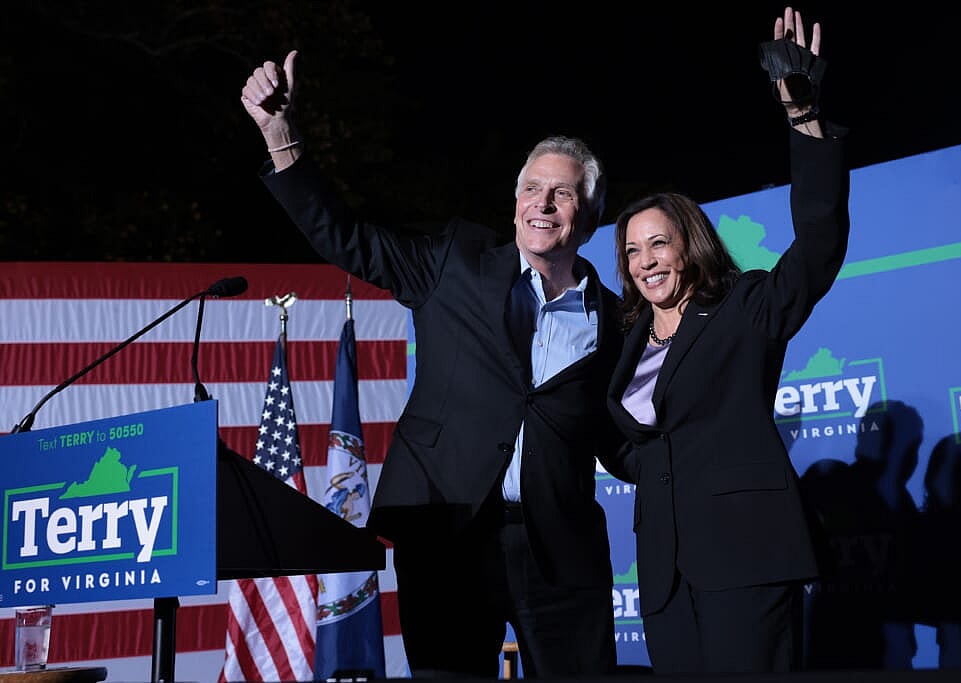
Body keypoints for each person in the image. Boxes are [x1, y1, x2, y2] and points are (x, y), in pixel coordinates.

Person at [239, 51, 628, 678]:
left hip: (562, 554)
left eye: (562, 192)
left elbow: (616, 435)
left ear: (589, 211)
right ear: (514, 203)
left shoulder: (614, 319)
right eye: (532, 188)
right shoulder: (455, 262)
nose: (543, 203)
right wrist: (280, 135)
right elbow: (346, 237)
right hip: (449, 538)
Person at [606, 6, 849, 675]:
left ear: (689, 245)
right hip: (663, 573)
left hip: (746, 556)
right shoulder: (628, 341)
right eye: (632, 251)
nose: (645, 261)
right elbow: (636, 443)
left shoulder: (745, 308)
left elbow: (819, 246)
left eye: (659, 243)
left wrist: (803, 117)